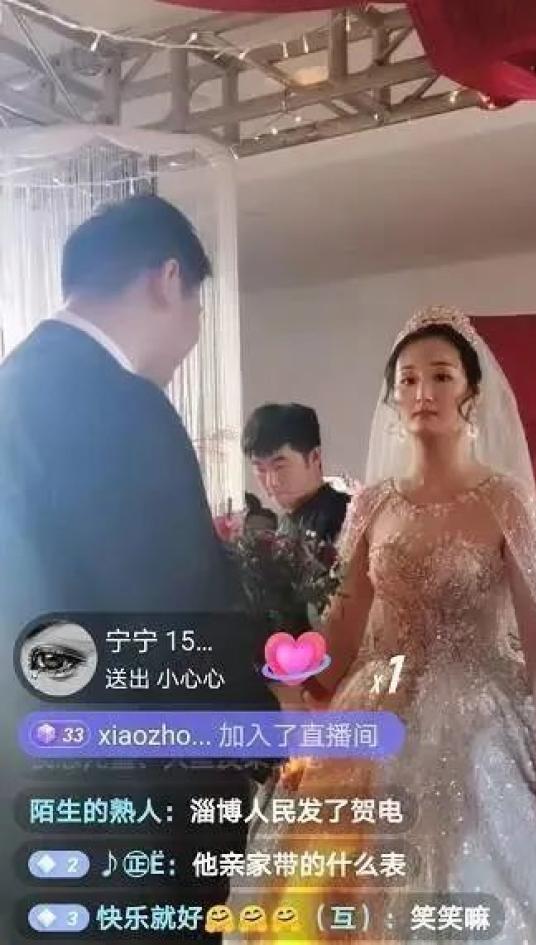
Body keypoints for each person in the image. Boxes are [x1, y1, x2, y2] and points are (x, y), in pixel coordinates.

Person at [249, 307, 536, 943]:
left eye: (441, 376)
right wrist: (293, 675)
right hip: (378, 703)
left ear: (470, 393)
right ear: (393, 398)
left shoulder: (506, 499)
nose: (423, 392)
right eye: (408, 380)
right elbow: (343, 628)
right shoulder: (371, 504)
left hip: (482, 710)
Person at [0, 196, 277, 923]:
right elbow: (175, 608)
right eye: (197, 309)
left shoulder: (12, 386)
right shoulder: (124, 405)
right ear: (168, 279)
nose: (191, 338)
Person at [242, 402, 349, 543]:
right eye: (260, 469)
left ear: (314, 457)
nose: (271, 482)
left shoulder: (347, 516)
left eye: (279, 467)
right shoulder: (286, 523)